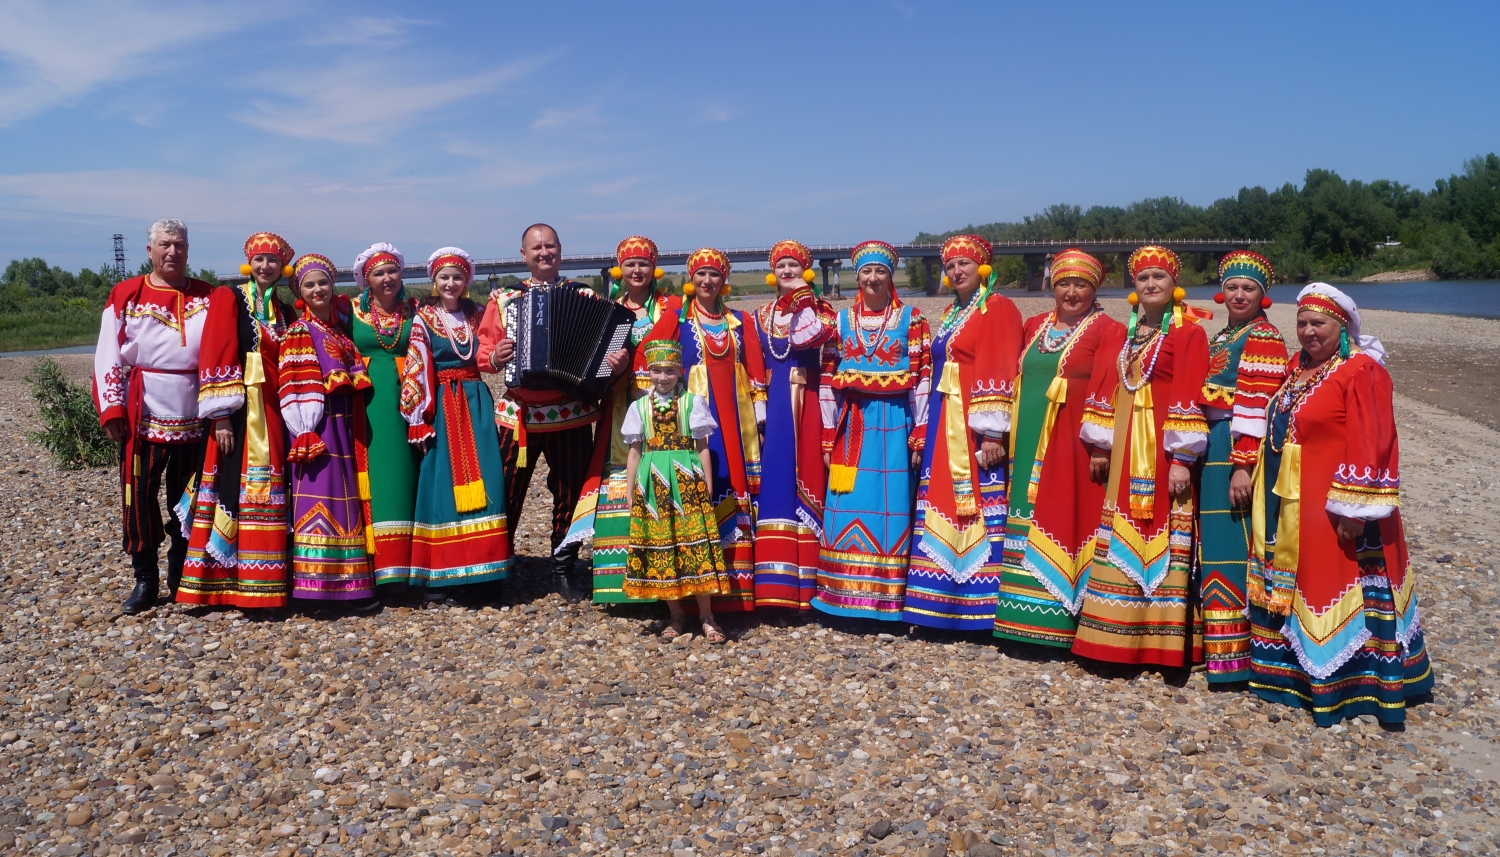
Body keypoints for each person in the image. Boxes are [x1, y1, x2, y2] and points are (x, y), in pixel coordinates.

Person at [1247, 284, 1432, 726]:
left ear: (1343, 326)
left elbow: (1374, 441)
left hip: (1335, 504)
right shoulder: (1299, 367)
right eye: (1303, 323)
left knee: (1336, 580)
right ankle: (1291, 679)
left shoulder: (1362, 371)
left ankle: (1355, 687)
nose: (1309, 332)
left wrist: (1353, 509)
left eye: (1319, 324)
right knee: (1298, 578)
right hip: (1292, 500)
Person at [1072, 246, 1209, 667]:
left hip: (1164, 452)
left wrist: (1183, 459)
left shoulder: (1188, 333)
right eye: (1143, 278)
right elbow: (1111, 388)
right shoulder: (1128, 335)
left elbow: (1188, 390)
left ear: (1174, 286)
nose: (1151, 285)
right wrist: (1101, 444)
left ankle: (1158, 643)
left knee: (1163, 530)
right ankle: (1112, 638)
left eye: (1159, 278)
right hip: (1128, 450)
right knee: (1121, 527)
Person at [993, 249, 1125, 648]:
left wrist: (1100, 445)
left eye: (1080, 284)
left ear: (1095, 287)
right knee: (1024, 512)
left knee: (1066, 512)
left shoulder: (1109, 329)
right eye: (1064, 283)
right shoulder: (1035, 326)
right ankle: (1018, 619)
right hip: (1027, 435)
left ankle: (1063, 622)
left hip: (1072, 441)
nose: (1071, 292)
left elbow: (1107, 385)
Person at [478, 224, 623, 579]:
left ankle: (564, 566)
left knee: (569, 493)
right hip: (519, 416)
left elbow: (605, 347)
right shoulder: (503, 300)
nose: (544, 253)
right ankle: (495, 566)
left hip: (569, 414)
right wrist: (496, 357)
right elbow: (482, 353)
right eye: (536, 248)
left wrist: (612, 364)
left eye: (550, 246)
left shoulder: (585, 297)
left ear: (560, 250)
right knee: (505, 490)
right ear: (523, 255)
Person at [92, 218, 216, 613]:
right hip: (142, 411)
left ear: (187, 250)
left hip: (195, 413)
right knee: (139, 495)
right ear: (150, 251)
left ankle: (182, 572)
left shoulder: (209, 296)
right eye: (164, 245)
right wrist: (111, 408)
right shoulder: (127, 293)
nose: (172, 252)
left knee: (190, 496)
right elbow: (106, 352)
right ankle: (145, 578)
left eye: (179, 245)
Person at [638, 248, 767, 609]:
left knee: (737, 483)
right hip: (694, 422)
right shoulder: (676, 320)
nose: (707, 281)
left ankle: (738, 588)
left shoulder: (740, 321)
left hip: (736, 419)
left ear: (724, 281)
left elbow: (754, 364)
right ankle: (695, 587)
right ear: (691, 280)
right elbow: (647, 356)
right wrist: (655, 406)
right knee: (701, 488)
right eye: (701, 275)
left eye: (714, 275)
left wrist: (759, 407)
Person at [906, 235, 1023, 630]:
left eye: (965, 265)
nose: (957, 272)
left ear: (983, 268)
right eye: (951, 266)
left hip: (973, 426)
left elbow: (1003, 364)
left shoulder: (998, 308)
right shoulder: (955, 311)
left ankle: (977, 605)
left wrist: (992, 434)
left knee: (974, 499)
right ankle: (937, 602)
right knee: (943, 497)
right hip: (944, 419)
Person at [558, 236, 682, 603]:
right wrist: (611, 371)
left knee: (663, 478)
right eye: (630, 264)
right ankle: (619, 582)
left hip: (665, 409)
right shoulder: (608, 311)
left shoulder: (673, 308)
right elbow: (589, 369)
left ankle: (669, 580)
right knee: (618, 479)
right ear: (620, 270)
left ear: (654, 268)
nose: (637, 271)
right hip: (619, 409)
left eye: (643, 263)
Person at [812, 241, 931, 621]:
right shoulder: (840, 322)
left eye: (880, 271)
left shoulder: (912, 320)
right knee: (844, 498)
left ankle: (886, 600)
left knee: (891, 504)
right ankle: (840, 595)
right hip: (853, 423)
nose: (872, 278)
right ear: (857, 276)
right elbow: (829, 378)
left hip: (895, 423)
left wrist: (921, 432)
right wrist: (828, 435)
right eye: (866, 271)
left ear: (890, 276)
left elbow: (922, 378)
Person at [176, 232, 295, 608]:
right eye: (259, 260)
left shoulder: (287, 311)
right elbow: (217, 349)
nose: (265, 267)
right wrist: (222, 416)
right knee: (231, 485)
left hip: (275, 413)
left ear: (282, 267)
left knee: (270, 490)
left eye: (272, 261)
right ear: (249, 263)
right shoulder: (229, 298)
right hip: (240, 413)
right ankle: (219, 585)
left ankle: (267, 581)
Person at [1196, 250, 1288, 683]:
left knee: (1234, 538)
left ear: (1262, 295)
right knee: (1215, 536)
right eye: (1232, 287)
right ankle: (1219, 647)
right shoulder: (1224, 336)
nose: (1238, 294)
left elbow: (1258, 404)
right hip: (1215, 442)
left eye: (1248, 288)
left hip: (1234, 445)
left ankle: (1239, 655)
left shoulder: (1264, 338)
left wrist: (1241, 464)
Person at [400, 248, 512, 598]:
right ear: (434, 281)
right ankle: (443, 574)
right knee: (442, 485)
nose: (451, 283)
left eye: (458, 277)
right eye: (444, 277)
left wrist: (503, 300)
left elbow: (499, 339)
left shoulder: (479, 314)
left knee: (488, 481)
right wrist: (417, 417)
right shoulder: (424, 318)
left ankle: (487, 571)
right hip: (444, 405)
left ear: (467, 282)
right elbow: (415, 368)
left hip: (476, 400)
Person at [277, 254, 379, 610]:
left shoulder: (337, 329)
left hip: (342, 424)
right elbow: (293, 385)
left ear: (333, 286)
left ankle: (350, 586)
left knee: (345, 501)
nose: (318, 289)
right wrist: (304, 430)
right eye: (310, 285)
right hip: (317, 426)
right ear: (299, 293)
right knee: (321, 500)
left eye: (323, 283)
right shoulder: (300, 331)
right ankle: (314, 590)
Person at [622, 339, 730, 643]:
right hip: (653, 483)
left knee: (694, 543)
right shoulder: (640, 407)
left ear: (679, 371)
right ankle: (675, 616)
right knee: (662, 545)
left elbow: (703, 448)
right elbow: (633, 452)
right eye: (656, 370)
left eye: (669, 370)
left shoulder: (692, 403)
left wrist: (707, 485)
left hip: (687, 482)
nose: (662, 377)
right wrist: (630, 491)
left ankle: (707, 617)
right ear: (649, 372)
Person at [749, 240, 837, 611]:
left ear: (806, 271)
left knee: (811, 474)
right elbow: (755, 365)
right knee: (777, 478)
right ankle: (777, 585)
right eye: (781, 265)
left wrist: (803, 298)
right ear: (773, 271)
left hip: (811, 401)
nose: (787, 271)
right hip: (777, 403)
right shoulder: (760, 314)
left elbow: (811, 338)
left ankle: (810, 584)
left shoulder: (821, 310)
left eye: (794, 266)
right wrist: (761, 413)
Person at [349, 242, 420, 590]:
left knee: (408, 475)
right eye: (378, 273)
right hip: (367, 406)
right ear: (367, 279)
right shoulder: (348, 312)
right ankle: (375, 567)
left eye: (392, 270)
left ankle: (408, 565)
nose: (387, 278)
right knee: (374, 478)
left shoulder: (418, 310)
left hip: (410, 403)